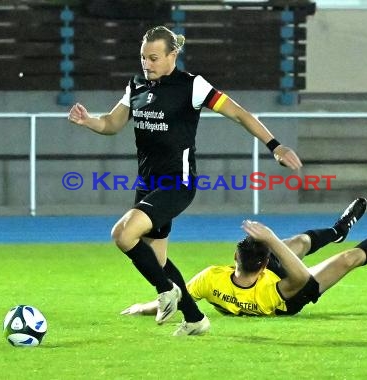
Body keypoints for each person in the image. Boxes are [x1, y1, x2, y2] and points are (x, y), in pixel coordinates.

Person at [67, 25, 302, 335]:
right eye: (143, 58)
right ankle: (194, 318)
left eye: (153, 58)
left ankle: (167, 292)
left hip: (177, 184)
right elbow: (112, 123)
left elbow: (240, 114)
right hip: (147, 184)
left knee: (123, 234)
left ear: (172, 55)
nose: (146, 64)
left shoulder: (193, 86)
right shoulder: (136, 85)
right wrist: (89, 122)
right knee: (157, 259)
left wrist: (275, 145)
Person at [120, 198, 367, 318]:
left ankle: (338, 229)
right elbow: (301, 278)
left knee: (298, 241)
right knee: (349, 259)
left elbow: (177, 297)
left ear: (235, 257)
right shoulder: (276, 290)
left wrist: (142, 308)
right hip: (291, 296)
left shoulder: (212, 277)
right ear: (265, 264)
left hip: (268, 277)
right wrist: (270, 238)